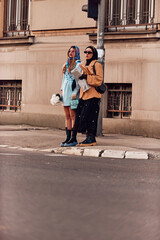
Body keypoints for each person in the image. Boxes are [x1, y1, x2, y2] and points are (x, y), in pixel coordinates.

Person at [65, 45, 103, 147]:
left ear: (93, 54)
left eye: (89, 52)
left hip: (93, 95)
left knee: (90, 117)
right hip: (84, 94)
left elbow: (99, 80)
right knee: (79, 117)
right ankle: (74, 138)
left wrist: (86, 76)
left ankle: (91, 138)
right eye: (85, 52)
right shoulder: (85, 65)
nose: (87, 54)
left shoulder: (97, 64)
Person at [60, 46, 81, 147]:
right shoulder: (65, 64)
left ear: (76, 53)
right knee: (67, 115)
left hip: (73, 92)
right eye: (69, 51)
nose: (71, 53)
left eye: (73, 51)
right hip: (65, 91)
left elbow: (78, 80)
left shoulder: (78, 64)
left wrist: (75, 92)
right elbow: (63, 79)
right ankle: (67, 137)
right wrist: (61, 91)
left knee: (73, 115)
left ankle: (74, 138)